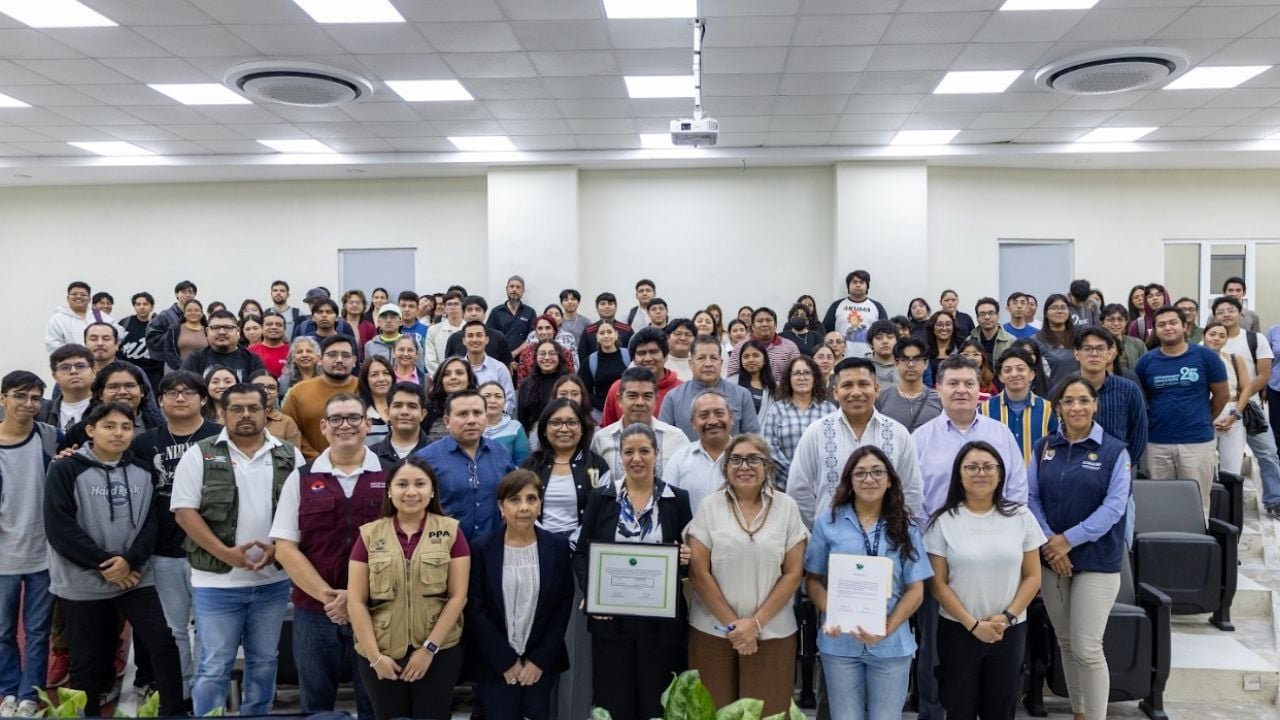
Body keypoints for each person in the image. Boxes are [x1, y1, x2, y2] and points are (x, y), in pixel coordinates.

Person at [44, 402, 185, 718]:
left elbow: (151, 522)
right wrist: (108, 565)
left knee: (162, 642)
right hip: (83, 581)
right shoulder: (65, 469)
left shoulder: (143, 470)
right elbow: (59, 526)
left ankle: (173, 711)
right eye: (109, 426)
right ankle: (86, 714)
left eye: (126, 427)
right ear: (91, 430)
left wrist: (129, 562)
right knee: (87, 658)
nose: (119, 433)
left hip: (135, 577)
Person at [169, 383, 301, 716]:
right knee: (214, 664)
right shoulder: (200, 453)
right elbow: (185, 512)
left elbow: (302, 512)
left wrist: (278, 550)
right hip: (217, 584)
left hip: (272, 582)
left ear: (265, 411)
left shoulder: (289, 454)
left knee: (265, 660)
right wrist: (226, 553)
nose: (245, 415)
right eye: (237, 409)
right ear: (221, 413)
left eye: (253, 408)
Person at [910, 355, 1028, 720]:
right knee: (935, 649)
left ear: (980, 390)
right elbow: (912, 502)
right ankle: (934, 713)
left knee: (998, 652)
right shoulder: (921, 439)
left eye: (968, 383)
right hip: (940, 559)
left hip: (996, 560)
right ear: (939, 389)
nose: (961, 390)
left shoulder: (999, 434)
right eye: (952, 383)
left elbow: (1018, 493)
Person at [270, 393, 385, 720]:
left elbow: (403, 546)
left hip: (378, 608)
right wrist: (332, 598)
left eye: (353, 418)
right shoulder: (302, 478)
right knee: (316, 702)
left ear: (368, 424)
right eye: (336, 419)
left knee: (374, 700)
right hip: (315, 611)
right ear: (323, 426)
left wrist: (357, 597)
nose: (344, 425)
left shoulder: (391, 476)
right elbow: (286, 548)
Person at [804, 446, 933, 720]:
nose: (869, 479)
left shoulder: (906, 526)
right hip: (840, 645)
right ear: (849, 481)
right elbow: (812, 580)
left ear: (889, 480)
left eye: (877, 472)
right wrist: (833, 612)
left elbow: (916, 590)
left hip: (891, 646)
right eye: (860, 473)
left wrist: (886, 628)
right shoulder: (828, 522)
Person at [574, 423, 693, 720]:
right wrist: (592, 592)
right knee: (615, 701)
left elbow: (687, 558)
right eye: (628, 452)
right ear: (620, 457)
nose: (636, 458)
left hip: (660, 625)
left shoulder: (677, 499)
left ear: (656, 453)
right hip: (611, 619)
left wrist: (686, 557)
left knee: (657, 701)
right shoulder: (601, 498)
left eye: (644, 451)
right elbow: (581, 552)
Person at [1028, 376, 1131, 720]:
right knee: (1067, 644)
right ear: (1057, 407)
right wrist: (1049, 542)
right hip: (1050, 557)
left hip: (1097, 560)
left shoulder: (1114, 451)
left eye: (1083, 400)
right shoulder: (1043, 447)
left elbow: (1115, 507)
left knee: (1087, 648)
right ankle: (1080, 712)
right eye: (1068, 401)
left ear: (1095, 405)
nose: (1076, 407)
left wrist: (1067, 540)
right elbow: (1030, 498)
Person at [685, 434, 807, 716]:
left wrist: (755, 624)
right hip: (713, 631)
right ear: (726, 467)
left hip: (773, 632)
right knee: (712, 712)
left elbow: (793, 572)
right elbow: (699, 571)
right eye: (736, 460)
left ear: (768, 466)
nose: (745, 466)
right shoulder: (709, 506)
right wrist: (735, 627)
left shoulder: (786, 507)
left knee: (769, 713)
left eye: (754, 459)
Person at [925, 441, 1044, 720]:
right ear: (959, 475)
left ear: (1001, 474)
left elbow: (1033, 576)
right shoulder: (943, 521)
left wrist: (1007, 617)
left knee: (1000, 710)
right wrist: (973, 624)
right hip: (958, 630)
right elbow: (938, 585)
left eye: (989, 467)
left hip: (1009, 630)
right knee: (959, 709)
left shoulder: (1021, 516)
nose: (981, 473)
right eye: (972, 467)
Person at [345, 457, 469, 720]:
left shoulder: (451, 532)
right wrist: (375, 657)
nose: (411, 492)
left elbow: (458, 597)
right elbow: (355, 601)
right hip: (382, 651)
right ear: (389, 491)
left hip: (438, 652)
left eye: (420, 484)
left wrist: (428, 650)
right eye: (402, 484)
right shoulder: (369, 535)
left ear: (432, 490)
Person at [129, 371, 221, 705]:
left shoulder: (220, 436)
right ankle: (180, 693)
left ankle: (207, 692)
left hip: (211, 551)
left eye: (187, 391)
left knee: (210, 631)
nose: (179, 397)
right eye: (171, 391)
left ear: (203, 398)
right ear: (160, 399)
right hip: (164, 552)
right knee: (175, 629)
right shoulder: (143, 443)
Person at [465, 470, 574, 720]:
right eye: (515, 500)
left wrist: (537, 660)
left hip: (541, 663)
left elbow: (562, 606)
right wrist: (506, 661)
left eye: (531, 499)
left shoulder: (557, 548)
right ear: (501, 507)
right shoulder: (481, 548)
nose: (524, 507)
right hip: (494, 664)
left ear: (540, 505)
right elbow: (476, 609)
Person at [788, 357, 924, 528]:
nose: (856, 392)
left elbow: (912, 490)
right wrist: (822, 528)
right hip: (831, 540)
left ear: (876, 389)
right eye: (847, 385)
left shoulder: (898, 433)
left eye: (863, 384)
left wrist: (894, 528)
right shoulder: (816, 432)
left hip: (886, 540)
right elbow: (798, 489)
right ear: (835, 392)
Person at [0, 372, 59, 719]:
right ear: (3, 398)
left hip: (43, 552)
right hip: (3, 556)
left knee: (38, 631)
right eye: (21, 396)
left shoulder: (49, 437)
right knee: (4, 631)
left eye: (36, 398)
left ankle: (29, 695)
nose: (29, 404)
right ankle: (8, 689)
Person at [1133, 305, 1228, 515]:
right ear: (1155, 330)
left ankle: (1199, 545)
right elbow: (1142, 400)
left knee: (1197, 502)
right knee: (1159, 504)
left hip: (1197, 442)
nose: (1168, 328)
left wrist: (1202, 418)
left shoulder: (1206, 357)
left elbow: (1222, 396)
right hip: (1157, 443)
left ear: (1185, 326)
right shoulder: (1146, 362)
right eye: (1161, 324)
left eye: (1173, 323)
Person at [415, 389, 518, 540]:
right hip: (445, 549)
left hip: (492, 549)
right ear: (447, 421)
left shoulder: (500, 453)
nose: (471, 420)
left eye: (477, 413)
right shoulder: (426, 459)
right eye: (462, 414)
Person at [1212, 295, 1280, 518]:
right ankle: (1221, 503)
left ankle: (1274, 499)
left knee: (1268, 452)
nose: (1226, 314)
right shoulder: (1210, 340)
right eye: (1220, 311)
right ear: (1214, 316)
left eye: (1230, 310)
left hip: (1251, 407)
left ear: (1240, 314)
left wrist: (1241, 397)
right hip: (1219, 406)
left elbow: (1264, 374)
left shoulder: (1255, 339)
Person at [591, 368, 690, 481]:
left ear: (656, 400)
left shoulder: (676, 439)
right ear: (619, 400)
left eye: (647, 396)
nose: (640, 402)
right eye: (632, 396)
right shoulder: (601, 440)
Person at [659, 335, 760, 441]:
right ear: (691, 364)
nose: (708, 364)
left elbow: (753, 440)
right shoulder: (673, 397)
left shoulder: (742, 395)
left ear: (721, 363)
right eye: (701, 358)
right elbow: (664, 441)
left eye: (713, 358)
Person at [761, 355, 835, 492]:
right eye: (796, 373)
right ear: (789, 379)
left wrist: (816, 478)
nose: (802, 377)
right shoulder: (776, 410)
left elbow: (835, 447)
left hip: (823, 486)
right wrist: (796, 475)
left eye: (807, 373)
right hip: (784, 486)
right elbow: (768, 447)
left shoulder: (829, 409)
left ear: (815, 378)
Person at [282, 335, 362, 461]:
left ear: (354, 361)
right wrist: (316, 458)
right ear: (320, 359)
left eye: (346, 355)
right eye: (332, 354)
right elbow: (288, 430)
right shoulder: (298, 391)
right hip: (311, 468)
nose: (339, 360)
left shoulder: (365, 389)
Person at [982, 347, 1058, 465]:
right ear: (1001, 377)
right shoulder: (985, 410)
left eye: (1020, 369)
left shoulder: (1048, 410)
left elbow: (1056, 448)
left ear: (1032, 374)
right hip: (999, 480)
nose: (1014, 374)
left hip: (1037, 479)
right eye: (1007, 370)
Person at [662, 391, 735, 513]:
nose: (712, 421)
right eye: (704, 415)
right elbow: (667, 504)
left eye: (719, 413)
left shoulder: (747, 458)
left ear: (731, 418)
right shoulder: (679, 460)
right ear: (693, 423)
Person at [598, 327, 684, 427]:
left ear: (665, 356)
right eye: (641, 353)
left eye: (654, 352)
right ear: (633, 359)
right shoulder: (618, 388)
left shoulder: (681, 390)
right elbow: (607, 430)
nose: (647, 359)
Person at [874, 338, 942, 433]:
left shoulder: (939, 399)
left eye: (917, 359)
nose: (910, 364)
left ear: (926, 363)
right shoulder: (881, 398)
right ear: (896, 363)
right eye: (905, 359)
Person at [181, 310, 267, 381]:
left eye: (228, 327)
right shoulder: (196, 359)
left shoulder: (252, 360)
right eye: (215, 327)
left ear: (238, 331)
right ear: (207, 331)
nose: (222, 332)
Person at [822, 270, 888, 358]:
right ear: (848, 286)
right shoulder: (837, 305)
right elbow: (826, 331)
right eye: (854, 282)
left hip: (870, 357)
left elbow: (886, 332)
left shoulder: (876, 306)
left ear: (867, 286)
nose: (858, 285)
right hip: (841, 357)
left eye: (862, 282)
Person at [727, 308, 802, 383]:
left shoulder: (790, 347)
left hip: (781, 392)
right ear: (752, 326)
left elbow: (798, 373)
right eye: (760, 321)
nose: (764, 324)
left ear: (775, 325)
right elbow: (731, 375)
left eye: (768, 320)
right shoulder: (740, 347)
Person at [45, 281, 119, 353]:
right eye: (74, 294)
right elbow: (52, 345)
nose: (78, 297)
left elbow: (118, 333)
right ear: (68, 298)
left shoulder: (99, 315)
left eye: (83, 295)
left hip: (99, 362)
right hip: (72, 362)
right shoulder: (58, 319)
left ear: (89, 299)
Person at [463, 320, 517, 417]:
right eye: (470, 335)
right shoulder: (458, 369)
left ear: (487, 339)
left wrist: (493, 420)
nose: (475, 339)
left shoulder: (499, 368)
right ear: (464, 340)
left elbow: (510, 401)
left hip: (496, 425)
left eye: (479, 335)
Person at [370, 382, 430, 466]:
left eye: (412, 406)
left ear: (423, 414)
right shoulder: (371, 456)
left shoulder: (437, 454)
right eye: (398, 406)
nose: (404, 412)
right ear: (387, 413)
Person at [38, 345, 95, 433]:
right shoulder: (40, 411)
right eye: (65, 368)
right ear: (55, 376)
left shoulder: (106, 408)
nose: (73, 371)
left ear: (94, 371)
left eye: (80, 366)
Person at [578, 321, 629, 419]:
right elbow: (585, 391)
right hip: (601, 412)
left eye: (609, 332)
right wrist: (603, 406)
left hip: (627, 409)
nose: (606, 336)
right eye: (602, 333)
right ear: (597, 337)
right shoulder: (590, 361)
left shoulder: (628, 356)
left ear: (616, 334)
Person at [517, 341, 569, 434]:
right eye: (542, 354)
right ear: (536, 357)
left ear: (559, 357)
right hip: (535, 436)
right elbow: (522, 417)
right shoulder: (527, 384)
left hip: (564, 432)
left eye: (552, 353)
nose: (547, 357)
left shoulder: (568, 382)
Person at [423, 357, 479, 444]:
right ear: (441, 380)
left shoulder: (479, 407)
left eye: (459, 373)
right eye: (447, 374)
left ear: (469, 379)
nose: (453, 377)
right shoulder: (428, 410)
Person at [145, 281, 198, 371]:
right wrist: (175, 335)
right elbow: (152, 338)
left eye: (190, 292)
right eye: (183, 292)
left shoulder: (198, 315)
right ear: (177, 294)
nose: (187, 295)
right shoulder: (165, 315)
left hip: (194, 362)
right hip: (173, 364)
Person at [119, 292, 165, 391]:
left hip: (154, 374)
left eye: (145, 304)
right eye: (138, 304)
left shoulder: (159, 324)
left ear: (152, 307)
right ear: (134, 306)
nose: (142, 307)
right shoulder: (124, 323)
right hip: (129, 373)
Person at [1034, 294, 1081, 381]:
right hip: (1051, 391)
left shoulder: (1080, 336)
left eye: (1063, 307)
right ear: (1046, 313)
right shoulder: (1036, 340)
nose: (1059, 311)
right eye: (1054, 308)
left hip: (1080, 389)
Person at [483, 381, 530, 466]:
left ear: (505, 401)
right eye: (487, 396)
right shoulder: (470, 427)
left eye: (498, 396)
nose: (493, 400)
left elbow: (522, 464)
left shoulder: (515, 427)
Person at [488, 275, 538, 355]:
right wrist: (507, 358)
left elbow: (532, 338)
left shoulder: (530, 312)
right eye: (511, 286)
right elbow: (490, 337)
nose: (514, 289)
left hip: (524, 359)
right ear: (507, 289)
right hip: (500, 358)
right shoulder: (496, 312)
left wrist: (514, 354)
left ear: (523, 291)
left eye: (518, 287)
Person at [249, 370, 302, 444]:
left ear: (277, 393)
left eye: (271, 388)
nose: (265, 391)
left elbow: (293, 453)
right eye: (258, 386)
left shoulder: (287, 423)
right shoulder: (237, 417)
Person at [730, 339, 777, 418]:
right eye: (746, 356)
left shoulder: (773, 386)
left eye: (756, 355)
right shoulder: (731, 383)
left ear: (765, 360)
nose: (751, 360)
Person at [425, 291, 466, 373]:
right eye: (449, 304)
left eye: (456, 304)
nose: (453, 307)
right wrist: (442, 377)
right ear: (444, 308)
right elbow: (430, 360)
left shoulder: (469, 330)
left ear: (462, 306)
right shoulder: (433, 330)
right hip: (440, 377)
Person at [969, 297, 1015, 368]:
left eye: (991, 313)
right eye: (982, 314)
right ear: (977, 318)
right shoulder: (969, 340)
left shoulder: (1011, 341)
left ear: (998, 316)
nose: (987, 317)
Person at [359, 355, 395, 448]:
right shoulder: (359, 412)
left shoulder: (402, 408)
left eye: (386, 373)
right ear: (365, 380)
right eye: (374, 375)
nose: (382, 379)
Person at [1101, 304, 1146, 375]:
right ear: (1102, 323)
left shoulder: (1137, 344)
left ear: (1126, 322)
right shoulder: (1097, 346)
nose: (1116, 323)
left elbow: (1146, 368)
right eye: (1111, 320)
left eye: (1120, 319)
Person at [249, 312, 291, 379]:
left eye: (279, 325)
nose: (274, 327)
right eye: (269, 324)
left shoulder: (292, 352)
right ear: (261, 327)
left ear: (285, 329)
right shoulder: (250, 352)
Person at [924, 311, 959, 382]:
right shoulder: (924, 352)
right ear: (932, 327)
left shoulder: (961, 350)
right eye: (939, 325)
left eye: (948, 324)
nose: (944, 328)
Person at [867, 320, 899, 385]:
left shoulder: (907, 364)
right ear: (871, 343)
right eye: (879, 338)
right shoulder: (863, 367)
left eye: (890, 337)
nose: (885, 341)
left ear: (897, 341)